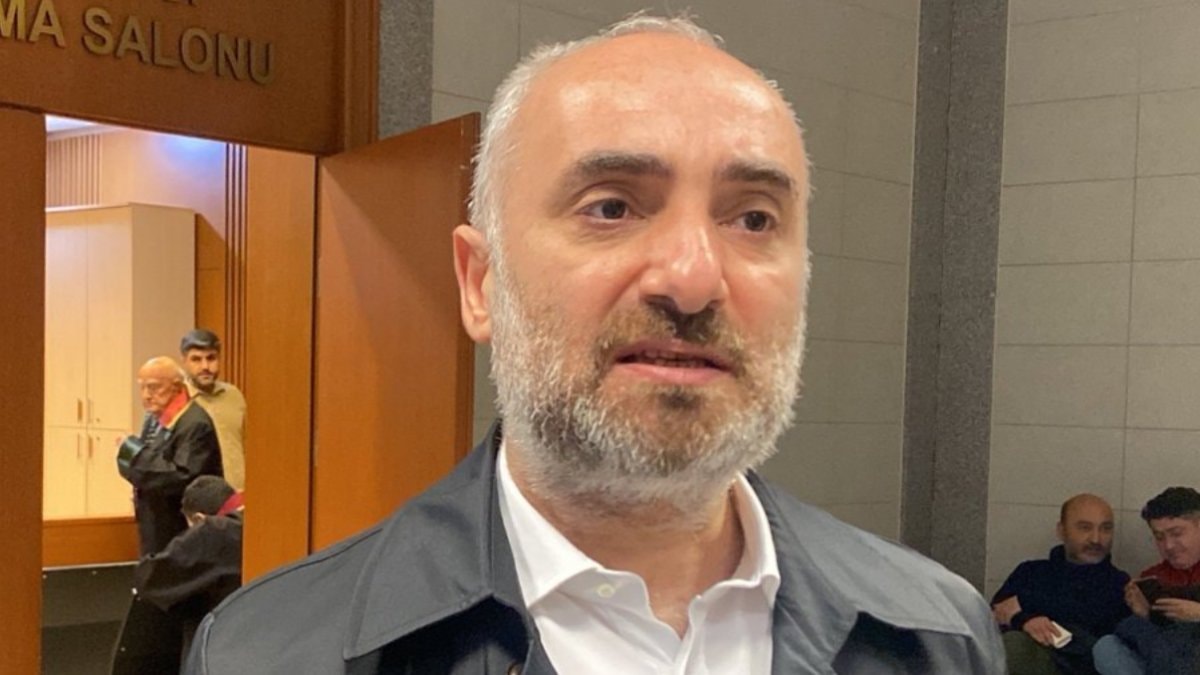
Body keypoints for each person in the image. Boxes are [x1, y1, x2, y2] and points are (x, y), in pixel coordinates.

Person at [186, 14, 1003, 674]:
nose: (692, 278)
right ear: (480, 284)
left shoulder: (936, 635)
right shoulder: (270, 653)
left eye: (753, 217)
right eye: (611, 206)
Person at [113, 357, 224, 675]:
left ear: (176, 387)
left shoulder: (195, 424)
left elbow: (180, 477)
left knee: (180, 617)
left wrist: (132, 454)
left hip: (180, 534)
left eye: (154, 387)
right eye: (142, 388)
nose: (146, 395)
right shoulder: (156, 421)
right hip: (157, 529)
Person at [991, 494, 1129, 674]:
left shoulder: (1119, 583)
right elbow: (996, 615)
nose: (1096, 539)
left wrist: (1025, 603)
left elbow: (1092, 616)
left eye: (1106, 528)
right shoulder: (1030, 573)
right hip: (1034, 664)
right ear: (1062, 531)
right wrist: (1025, 621)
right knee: (1014, 644)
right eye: (1085, 528)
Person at [135, 475, 244, 662]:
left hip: (222, 648)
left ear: (199, 519)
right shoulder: (263, 517)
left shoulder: (213, 532)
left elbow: (150, 577)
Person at [1093, 487, 1200, 675]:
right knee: (1107, 647)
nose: (1168, 545)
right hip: (1163, 659)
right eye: (1159, 537)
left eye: (1176, 533)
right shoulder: (1153, 577)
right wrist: (1146, 615)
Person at [180, 329, 247, 492]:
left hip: (236, 493)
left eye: (211, 358)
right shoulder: (176, 400)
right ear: (184, 362)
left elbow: (246, 444)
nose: (205, 366)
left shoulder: (234, 396)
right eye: (196, 359)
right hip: (195, 497)